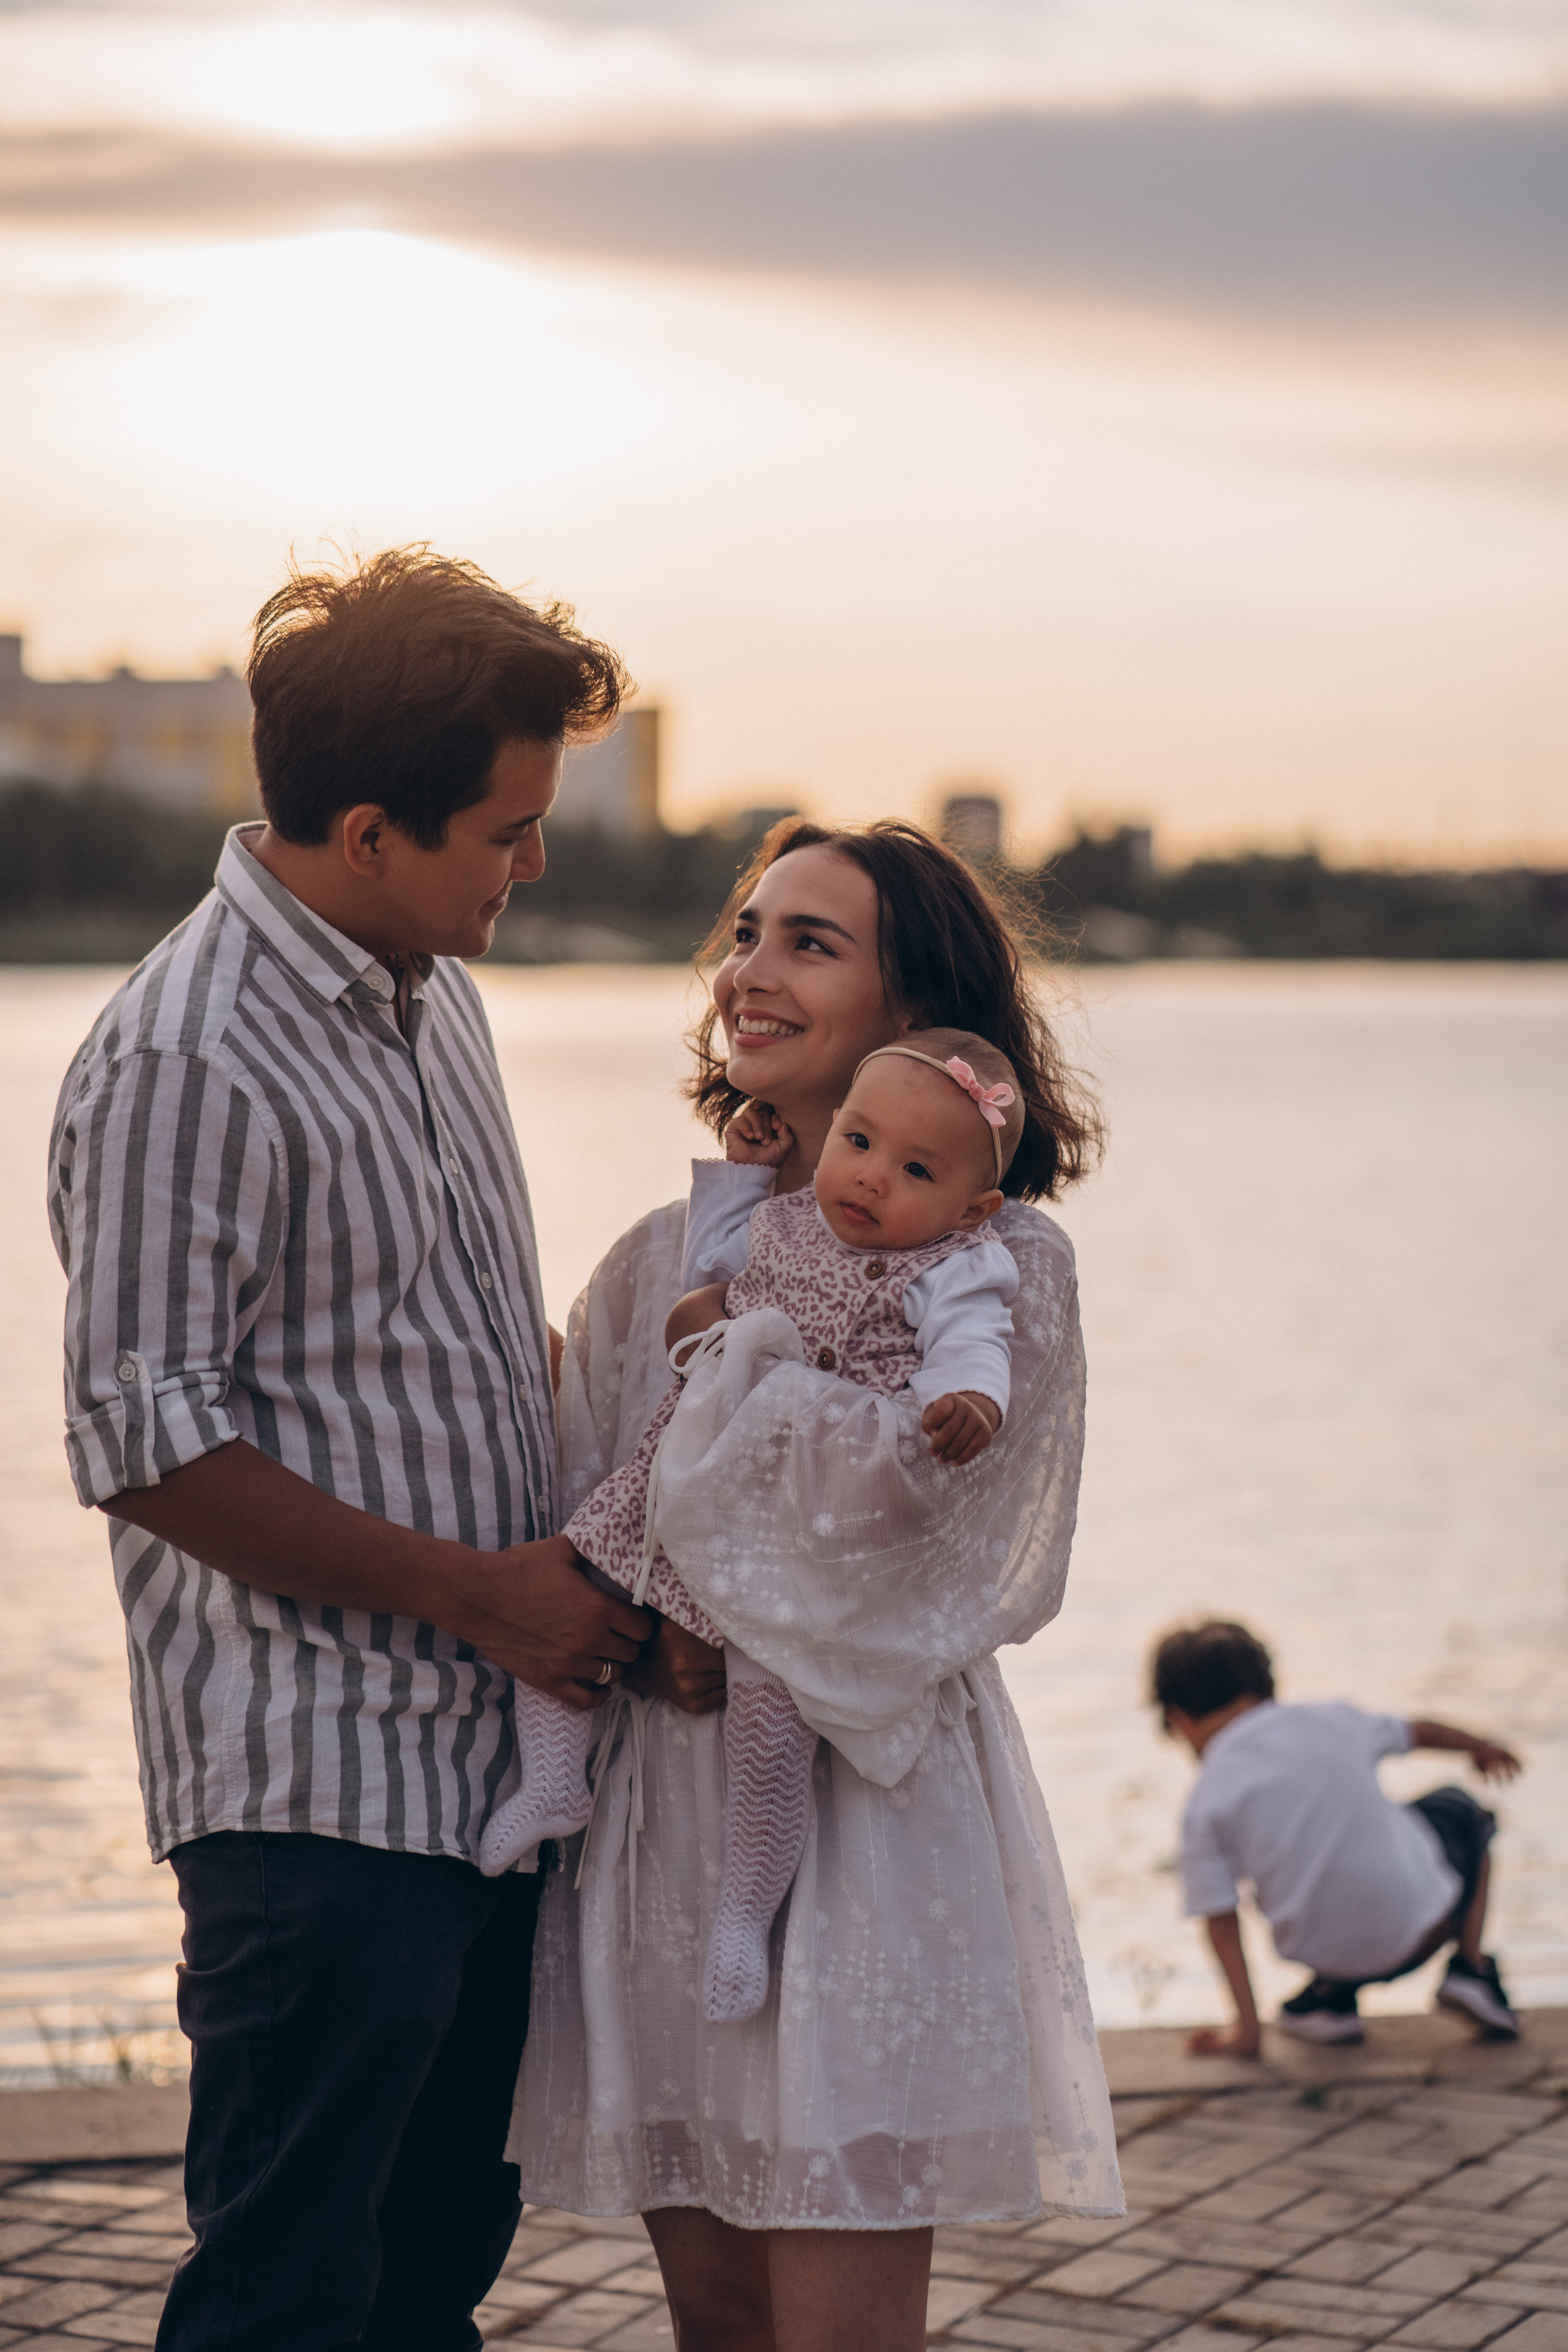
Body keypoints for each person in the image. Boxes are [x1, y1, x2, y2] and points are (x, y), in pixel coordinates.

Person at [47, 546, 668, 2352]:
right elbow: (143, 1439)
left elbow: (463, 1353)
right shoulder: (187, 1056)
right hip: (316, 1804)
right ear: (373, 826)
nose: (534, 863)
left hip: (484, 1781)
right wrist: (483, 1598)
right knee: (287, 2296)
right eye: (507, 829)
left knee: (426, 2279)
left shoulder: (433, 993)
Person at [510, 820, 1124, 2352]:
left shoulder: (992, 1265)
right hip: (666, 1818)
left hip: (855, 1811)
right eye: (745, 930)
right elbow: (593, 1506)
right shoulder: (658, 1252)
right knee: (714, 2323)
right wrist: (655, 1633)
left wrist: (733, 1590)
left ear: (914, 1013)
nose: (750, 971)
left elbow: (936, 1532)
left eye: (808, 941)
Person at [481, 1029, 1025, 2030]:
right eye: (857, 1144)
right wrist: (739, 1173)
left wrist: (971, 1403)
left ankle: (745, 1912)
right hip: (689, 1475)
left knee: (766, 1727)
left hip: (797, 1526)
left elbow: (975, 1347)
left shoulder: (961, 1266)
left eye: (915, 1171)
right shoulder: (786, 1219)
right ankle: (553, 1779)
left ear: (973, 1207)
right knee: (576, 1584)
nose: (869, 1179)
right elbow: (714, 1267)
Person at [1152, 1620, 1523, 2055]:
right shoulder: (1328, 1719)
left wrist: (1246, 2032)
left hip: (1324, 1955)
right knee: (1462, 1809)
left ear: (1178, 1719)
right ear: (1267, 1686)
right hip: (1422, 1934)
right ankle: (1470, 1969)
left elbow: (1220, 1921)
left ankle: (1329, 2003)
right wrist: (1479, 1747)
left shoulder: (1202, 1803)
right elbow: (1419, 1733)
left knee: (1311, 1868)